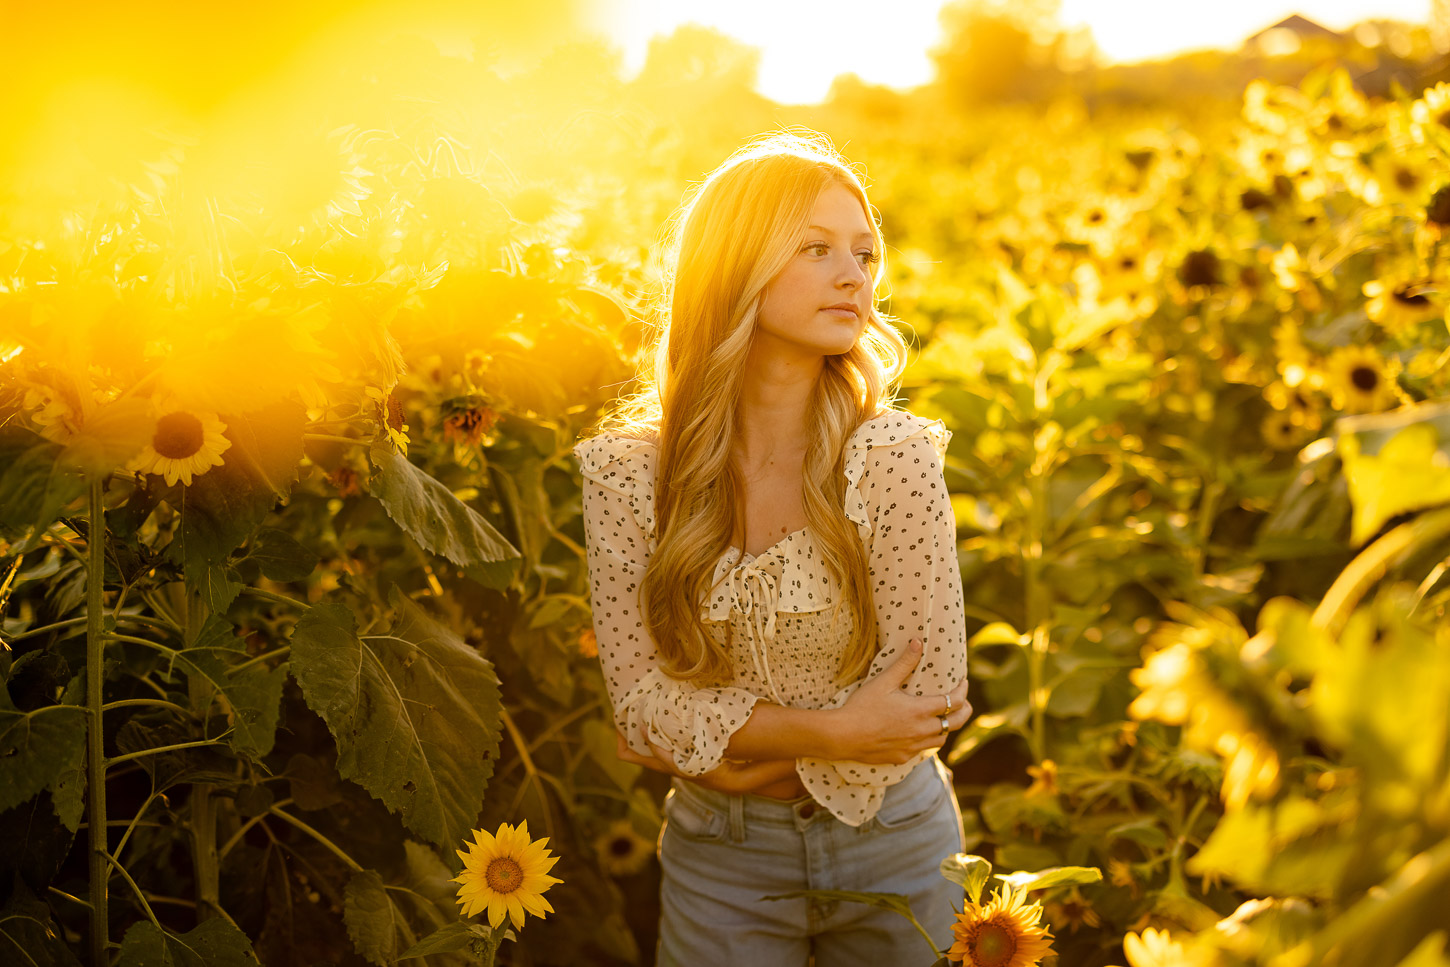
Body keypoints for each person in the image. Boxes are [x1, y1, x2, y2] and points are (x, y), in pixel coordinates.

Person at [572, 129, 971, 966]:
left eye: (864, 253)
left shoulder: (891, 454)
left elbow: (929, 697)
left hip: (894, 838)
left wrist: (724, 747)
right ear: (736, 264)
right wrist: (831, 732)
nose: (853, 275)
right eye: (816, 248)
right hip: (722, 857)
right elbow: (637, 707)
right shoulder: (628, 472)